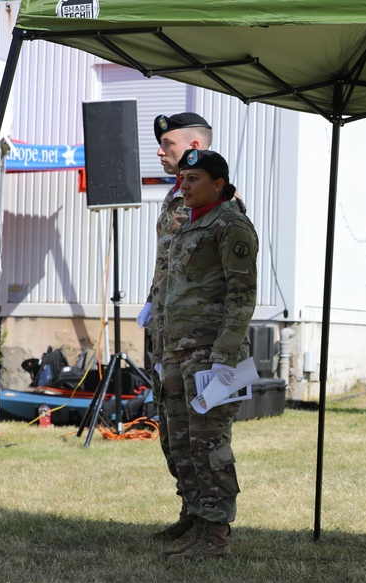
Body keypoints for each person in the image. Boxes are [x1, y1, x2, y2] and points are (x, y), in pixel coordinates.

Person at [160, 148, 257, 560]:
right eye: (183, 177)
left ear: (219, 183)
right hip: (179, 350)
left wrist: (225, 355)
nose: (185, 184)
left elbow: (242, 296)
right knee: (182, 441)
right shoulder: (190, 223)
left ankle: (215, 535)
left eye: (194, 178)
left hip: (211, 354)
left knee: (208, 444)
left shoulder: (231, 225)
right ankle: (198, 523)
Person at [137, 112, 214, 541]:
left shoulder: (217, 199)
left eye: (167, 143)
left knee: (201, 432)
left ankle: (210, 521)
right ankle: (190, 509)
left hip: (198, 337)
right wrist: (152, 304)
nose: (160, 151)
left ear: (193, 146)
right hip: (167, 334)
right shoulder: (173, 198)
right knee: (172, 427)